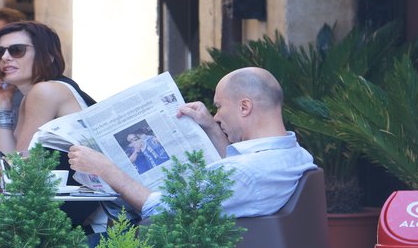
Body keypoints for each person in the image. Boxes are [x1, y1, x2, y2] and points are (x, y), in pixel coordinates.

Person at [67, 66, 316, 219]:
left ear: (244, 106)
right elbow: (243, 178)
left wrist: (105, 169)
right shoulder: (297, 154)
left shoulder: (243, 172)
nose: (216, 116)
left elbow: (162, 209)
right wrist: (211, 129)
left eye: (219, 107)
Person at [0, 21, 96, 158]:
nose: (5, 57)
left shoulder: (45, 91)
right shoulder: (31, 95)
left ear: (48, 57)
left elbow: (19, 164)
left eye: (17, 50)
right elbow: (10, 159)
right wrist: (3, 106)